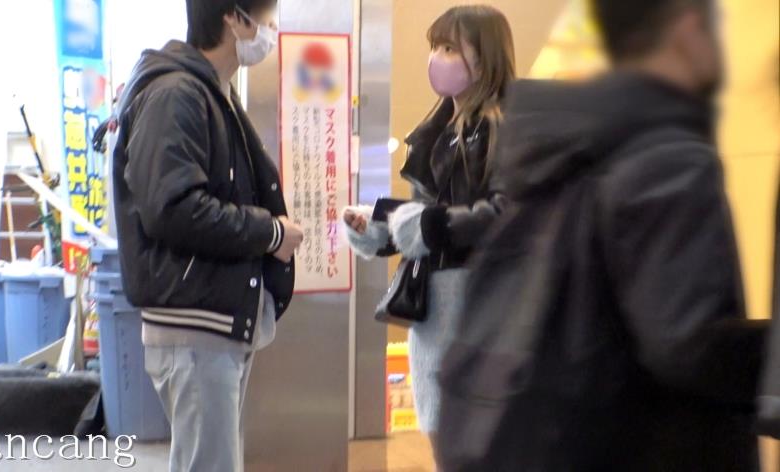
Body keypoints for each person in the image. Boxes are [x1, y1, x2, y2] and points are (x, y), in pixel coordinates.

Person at [437, 0, 769, 470]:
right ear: (687, 28)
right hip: (646, 447)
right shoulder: (667, 156)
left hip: (554, 440)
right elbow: (686, 347)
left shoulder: (554, 145)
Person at [111, 1, 303, 470]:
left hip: (212, 318)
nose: (272, 29)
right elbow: (173, 209)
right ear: (234, 17)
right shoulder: (177, 94)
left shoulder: (212, 93)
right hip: (195, 321)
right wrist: (270, 232)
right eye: (268, 16)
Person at [342, 5, 515, 464]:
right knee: (444, 445)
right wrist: (378, 227)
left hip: (482, 309)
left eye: (450, 47)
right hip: (434, 313)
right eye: (435, 46)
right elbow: (423, 217)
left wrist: (429, 226)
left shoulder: (505, 129)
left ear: (485, 56)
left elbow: (505, 213)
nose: (437, 57)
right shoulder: (437, 132)